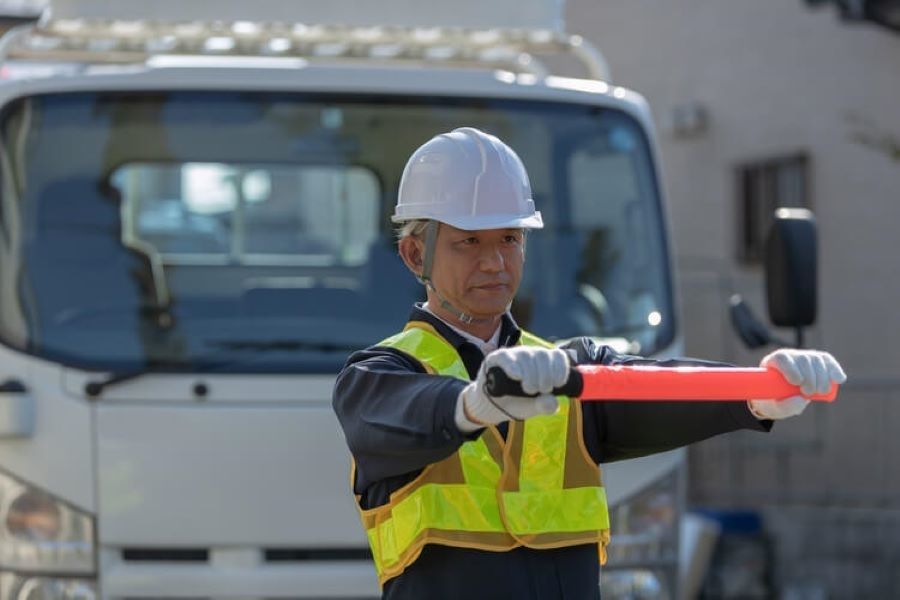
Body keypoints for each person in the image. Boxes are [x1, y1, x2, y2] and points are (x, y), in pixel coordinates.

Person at [332, 127, 846, 600]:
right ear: (413, 255)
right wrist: (473, 403)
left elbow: (655, 387)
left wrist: (758, 390)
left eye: (509, 238)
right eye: (469, 241)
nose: (495, 262)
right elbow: (410, 411)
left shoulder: (571, 371)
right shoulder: (378, 376)